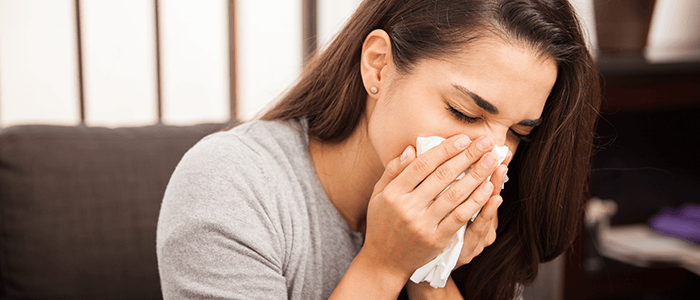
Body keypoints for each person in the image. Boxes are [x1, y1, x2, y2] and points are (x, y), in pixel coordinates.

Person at [156, 0, 601, 299]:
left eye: (518, 133)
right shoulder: (230, 185)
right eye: (465, 113)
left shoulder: (490, 217)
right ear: (378, 66)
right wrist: (385, 265)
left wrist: (431, 270)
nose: (494, 155)